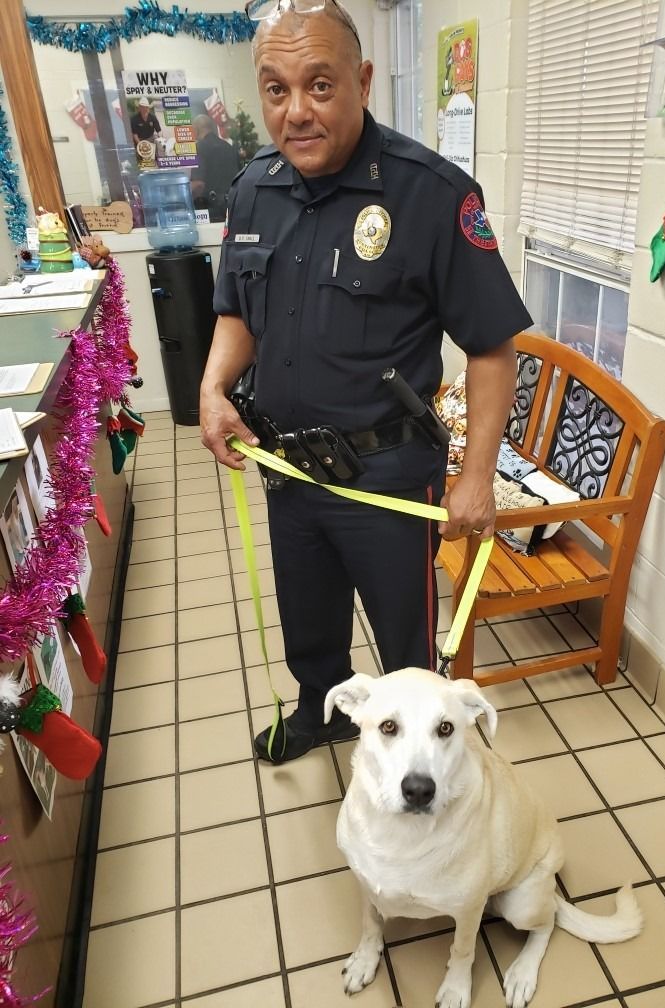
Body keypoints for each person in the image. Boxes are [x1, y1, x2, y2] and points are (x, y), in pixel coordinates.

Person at [200, 0, 532, 764]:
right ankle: (321, 716)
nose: (297, 111)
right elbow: (235, 313)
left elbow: (491, 349)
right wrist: (215, 388)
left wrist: (476, 478)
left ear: (364, 80)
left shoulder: (432, 194)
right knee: (308, 623)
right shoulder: (254, 191)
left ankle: (424, 773)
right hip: (287, 467)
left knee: (406, 645)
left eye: (320, 85)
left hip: (385, 475)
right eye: (277, 90)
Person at [191, 114, 241, 222]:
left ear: (196, 129)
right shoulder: (229, 147)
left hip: (210, 209)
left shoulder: (199, 148)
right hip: (233, 206)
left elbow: (198, 184)